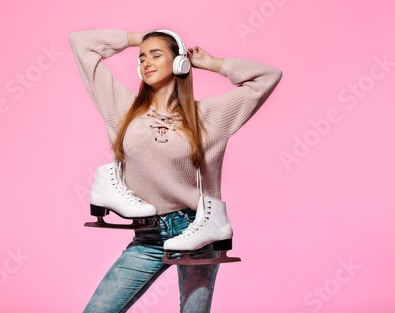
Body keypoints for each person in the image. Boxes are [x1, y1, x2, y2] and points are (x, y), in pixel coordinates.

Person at [69, 28, 282, 312]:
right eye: (142, 57)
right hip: (148, 235)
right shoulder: (122, 108)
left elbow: (268, 76)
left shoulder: (209, 116)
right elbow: (81, 43)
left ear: (179, 62)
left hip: (197, 232)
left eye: (156, 54)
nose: (146, 61)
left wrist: (213, 63)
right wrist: (140, 38)